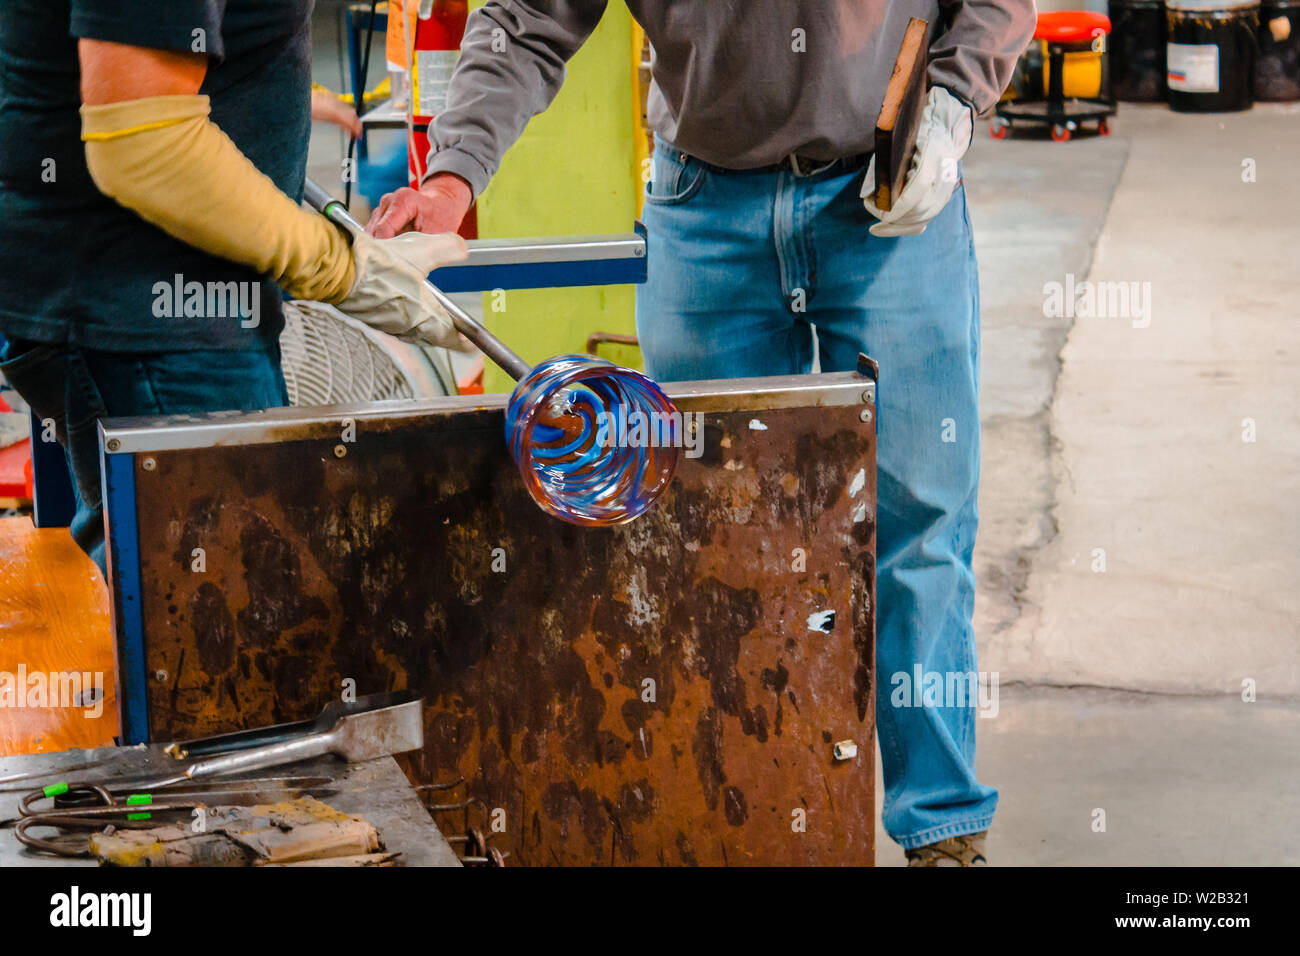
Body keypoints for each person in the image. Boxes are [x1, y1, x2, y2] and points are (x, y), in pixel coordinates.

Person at [368, 0, 1036, 865]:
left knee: (919, 526)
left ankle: (941, 828)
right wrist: (452, 176)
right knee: (712, 539)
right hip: (705, 208)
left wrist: (952, 98)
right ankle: (754, 818)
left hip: (886, 195)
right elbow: (530, 18)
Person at [0, 0, 468, 577]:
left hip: (161, 317)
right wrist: (345, 270)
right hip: (150, 326)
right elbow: (142, 140)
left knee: (189, 608)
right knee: (232, 617)